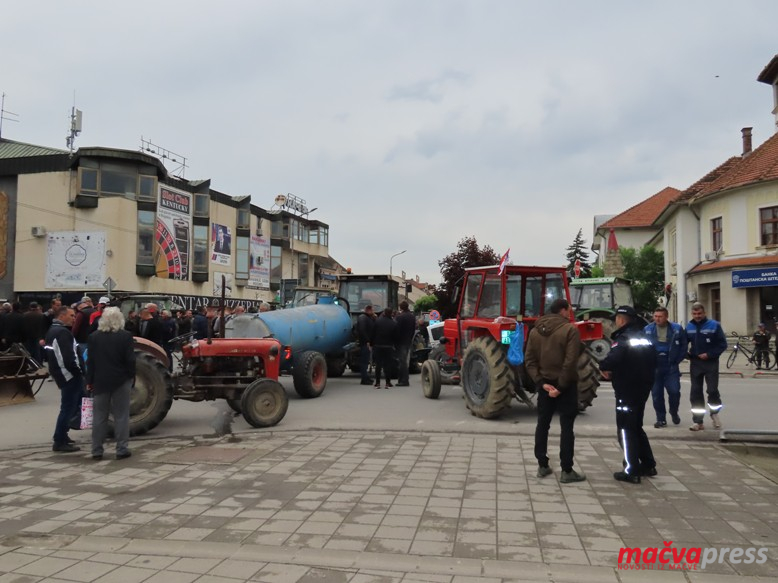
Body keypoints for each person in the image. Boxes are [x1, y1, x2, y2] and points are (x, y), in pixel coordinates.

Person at [524, 298, 586, 483]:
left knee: (543, 424)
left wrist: (541, 383)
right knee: (567, 426)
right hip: (565, 387)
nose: (569, 313)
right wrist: (560, 387)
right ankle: (567, 470)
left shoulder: (535, 331)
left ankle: (542, 465)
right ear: (563, 311)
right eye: (568, 310)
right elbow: (570, 361)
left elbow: (530, 361)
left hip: (545, 386)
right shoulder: (570, 330)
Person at [600, 306, 657, 484]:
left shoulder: (623, 338)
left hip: (627, 389)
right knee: (636, 426)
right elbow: (654, 359)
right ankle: (648, 464)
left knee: (625, 428)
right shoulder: (644, 337)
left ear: (621, 320)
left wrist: (603, 366)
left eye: (617, 318)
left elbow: (613, 359)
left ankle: (631, 470)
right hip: (643, 388)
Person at [86, 307, 136, 460]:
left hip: (100, 381)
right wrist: (131, 377)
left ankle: (97, 450)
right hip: (121, 380)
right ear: (119, 320)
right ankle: (121, 449)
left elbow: (91, 362)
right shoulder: (125, 336)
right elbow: (130, 360)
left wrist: (89, 381)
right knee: (121, 416)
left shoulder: (94, 337)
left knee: (99, 416)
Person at [43, 306, 83, 453]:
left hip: (62, 374)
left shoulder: (53, 330)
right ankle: (59, 440)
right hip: (69, 375)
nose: (74, 318)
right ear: (61, 316)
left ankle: (62, 435)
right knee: (68, 408)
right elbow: (68, 357)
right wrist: (78, 372)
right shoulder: (62, 332)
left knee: (69, 407)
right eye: (72, 315)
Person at [686, 302, 727, 431]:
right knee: (695, 392)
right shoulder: (689, 326)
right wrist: (686, 354)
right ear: (692, 314)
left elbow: (722, 344)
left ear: (704, 313)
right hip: (696, 363)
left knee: (712, 390)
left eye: (699, 313)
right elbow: (682, 343)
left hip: (711, 362)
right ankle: (698, 421)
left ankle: (714, 413)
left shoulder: (714, 325)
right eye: (694, 314)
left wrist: (709, 354)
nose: (697, 316)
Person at [644, 306, 687, 427]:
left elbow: (684, 346)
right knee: (657, 394)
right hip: (654, 366)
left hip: (671, 366)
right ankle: (661, 418)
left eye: (660, 316)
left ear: (666, 317)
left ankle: (674, 412)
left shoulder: (676, 329)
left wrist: (677, 360)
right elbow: (642, 347)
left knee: (674, 391)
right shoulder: (647, 329)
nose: (657, 319)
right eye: (655, 316)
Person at [371, 307, 397, 389]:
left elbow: (373, 333)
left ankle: (377, 383)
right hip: (388, 347)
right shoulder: (393, 323)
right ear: (391, 313)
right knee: (387, 365)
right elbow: (395, 336)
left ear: (384, 313)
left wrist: (372, 344)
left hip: (378, 346)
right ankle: (387, 383)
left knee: (378, 365)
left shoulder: (378, 321)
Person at [394, 300, 417, 386]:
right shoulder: (412, 317)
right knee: (404, 360)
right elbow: (413, 329)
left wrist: (395, 341)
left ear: (400, 307)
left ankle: (404, 380)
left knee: (402, 361)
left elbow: (397, 330)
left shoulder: (400, 317)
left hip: (401, 342)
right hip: (408, 340)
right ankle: (403, 380)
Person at [357, 305, 376, 385]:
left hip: (367, 342)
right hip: (365, 343)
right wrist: (367, 341)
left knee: (366, 360)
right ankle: (364, 379)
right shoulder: (363, 318)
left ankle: (366, 377)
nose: (373, 312)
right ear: (369, 310)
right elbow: (362, 330)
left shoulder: (367, 318)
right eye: (372, 310)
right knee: (364, 362)